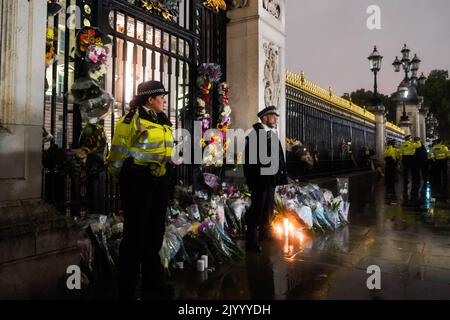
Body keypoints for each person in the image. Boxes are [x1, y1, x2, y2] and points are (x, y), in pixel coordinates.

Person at [108, 80, 174, 299]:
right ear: (150, 99)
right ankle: (126, 289)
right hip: (138, 182)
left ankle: (151, 281)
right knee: (135, 235)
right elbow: (118, 153)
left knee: (155, 234)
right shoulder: (131, 120)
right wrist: (125, 176)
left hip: (159, 181)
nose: (164, 100)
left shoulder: (163, 121)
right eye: (161, 97)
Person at [243, 106, 288, 253]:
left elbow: (279, 157)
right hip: (260, 181)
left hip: (271, 180)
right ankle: (251, 240)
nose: (275, 119)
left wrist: (281, 177)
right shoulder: (254, 135)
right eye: (272, 116)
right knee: (257, 208)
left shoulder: (271, 134)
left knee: (268, 207)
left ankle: (265, 233)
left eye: (275, 116)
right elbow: (250, 162)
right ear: (264, 118)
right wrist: (252, 181)